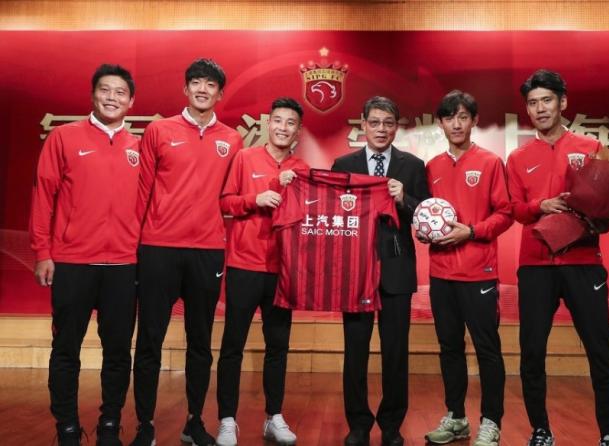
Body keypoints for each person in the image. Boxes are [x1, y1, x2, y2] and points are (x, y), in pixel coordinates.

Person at [506, 69, 609, 446]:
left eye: (547, 100)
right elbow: (515, 209)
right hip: (535, 266)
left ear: (563, 103)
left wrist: (601, 218)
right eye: (533, 103)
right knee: (531, 352)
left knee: (599, 349)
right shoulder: (518, 157)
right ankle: (540, 430)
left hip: (584, 263)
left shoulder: (591, 147)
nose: (540, 108)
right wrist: (541, 205)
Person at [131, 58, 242, 446]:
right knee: (149, 340)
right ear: (185, 88)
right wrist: (134, 247)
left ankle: (194, 421)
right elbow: (141, 191)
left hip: (207, 251)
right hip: (158, 247)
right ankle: (145, 425)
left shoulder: (233, 139)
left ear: (220, 93)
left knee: (200, 343)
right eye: (196, 82)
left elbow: (232, 197)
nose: (202, 89)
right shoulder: (159, 130)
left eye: (210, 84)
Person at [29, 64, 139, 446]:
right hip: (72, 263)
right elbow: (43, 196)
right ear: (93, 95)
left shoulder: (140, 147)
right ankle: (67, 428)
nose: (112, 97)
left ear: (131, 101)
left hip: (123, 266)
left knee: (118, 353)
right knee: (65, 350)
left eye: (120, 92)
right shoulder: (64, 137)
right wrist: (42, 251)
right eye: (105, 90)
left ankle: (110, 425)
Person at [331, 96, 430, 446]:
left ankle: (391, 425)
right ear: (363, 125)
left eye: (388, 123)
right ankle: (358, 424)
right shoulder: (343, 164)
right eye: (374, 122)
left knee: (395, 352)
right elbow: (333, 216)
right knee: (355, 351)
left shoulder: (412, 166)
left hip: (397, 269)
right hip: (355, 270)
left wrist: (405, 199)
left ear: (396, 127)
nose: (381, 129)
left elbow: (426, 216)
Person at [421, 90, 513, 446]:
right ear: (440, 123)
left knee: (487, 349)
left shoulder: (490, 162)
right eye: (449, 118)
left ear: (474, 120)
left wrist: (471, 231)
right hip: (441, 274)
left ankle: (491, 421)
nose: (456, 124)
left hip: (479, 274)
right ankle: (456, 417)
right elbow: (426, 215)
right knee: (449, 348)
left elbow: (505, 214)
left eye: (463, 117)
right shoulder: (432, 166)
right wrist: (423, 230)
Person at [215, 97, 308, 446]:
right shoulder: (245, 157)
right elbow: (226, 202)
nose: (283, 128)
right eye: (278, 121)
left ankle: (274, 417)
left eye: (290, 123)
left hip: (283, 269)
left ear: (298, 130)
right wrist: (257, 198)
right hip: (244, 265)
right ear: (269, 124)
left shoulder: (303, 168)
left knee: (278, 347)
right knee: (232, 346)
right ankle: (227, 420)